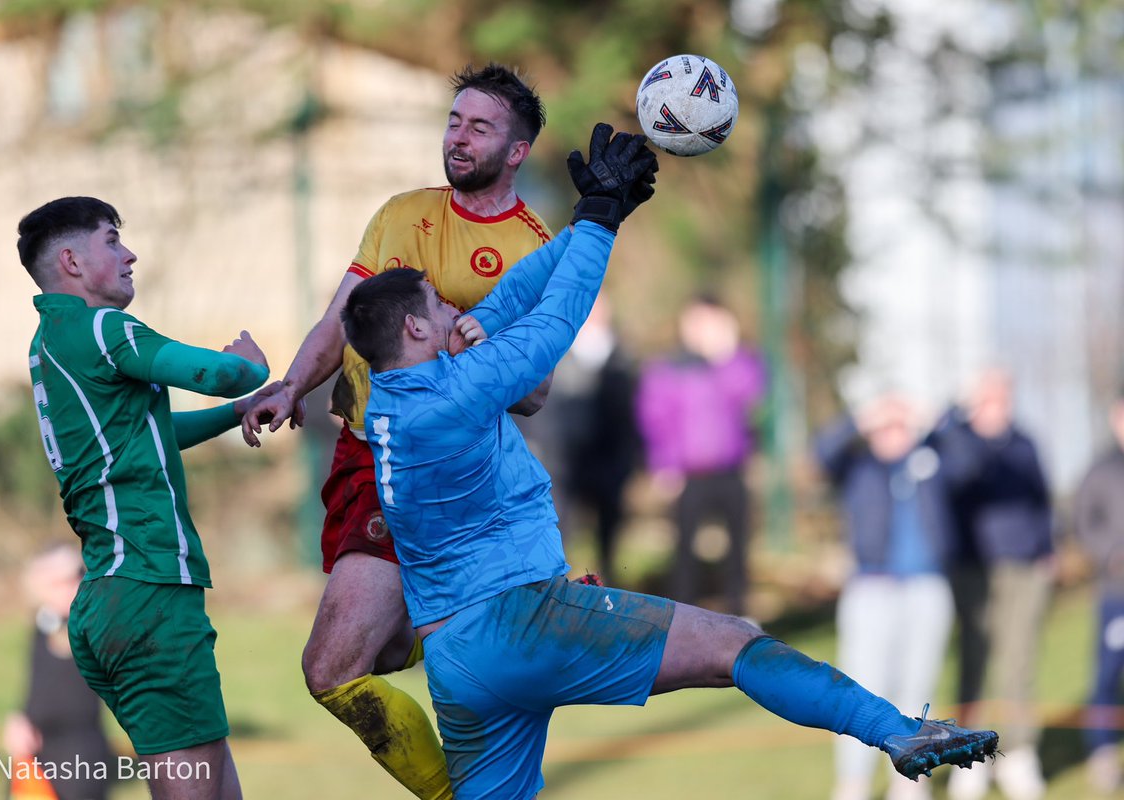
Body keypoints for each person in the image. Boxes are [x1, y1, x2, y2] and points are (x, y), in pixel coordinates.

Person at [342, 122, 997, 799]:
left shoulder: (395, 399)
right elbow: (551, 324)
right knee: (733, 643)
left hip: (456, 661)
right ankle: (894, 730)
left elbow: (508, 299)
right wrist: (597, 224)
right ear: (416, 329)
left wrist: (600, 214)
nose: (456, 307)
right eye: (439, 303)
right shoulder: (457, 392)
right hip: (520, 623)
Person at [240, 64, 552, 799]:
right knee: (375, 652)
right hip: (360, 453)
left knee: (331, 668)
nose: (458, 136)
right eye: (453, 120)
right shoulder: (401, 214)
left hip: (429, 466)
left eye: (479, 127)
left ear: (516, 151)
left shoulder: (532, 246)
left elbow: (534, 393)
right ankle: (489, 609)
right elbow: (338, 319)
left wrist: (461, 340)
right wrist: (290, 384)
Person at [19, 196, 273, 800]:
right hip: (149, 588)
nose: (129, 253)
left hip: (108, 599)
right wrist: (248, 371)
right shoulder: (105, 329)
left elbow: (149, 437)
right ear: (72, 261)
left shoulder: (49, 343)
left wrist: (235, 412)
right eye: (112, 240)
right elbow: (216, 371)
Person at [814, 394, 958, 800]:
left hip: (927, 588)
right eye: (886, 427)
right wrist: (864, 417)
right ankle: (853, 784)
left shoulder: (934, 462)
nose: (893, 434)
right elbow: (822, 451)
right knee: (859, 690)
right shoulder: (858, 467)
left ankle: (907, 782)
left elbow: (972, 462)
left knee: (918, 687)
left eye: (900, 426)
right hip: (870, 589)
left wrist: (929, 420)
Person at [934, 368, 1054, 800]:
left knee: (1018, 663)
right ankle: (970, 757)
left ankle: (1020, 756)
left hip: (1024, 567)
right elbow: (953, 473)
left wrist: (1045, 552)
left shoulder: (1024, 442)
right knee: (973, 663)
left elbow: (1042, 499)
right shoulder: (957, 438)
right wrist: (957, 413)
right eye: (988, 395)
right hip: (973, 569)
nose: (997, 403)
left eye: (1004, 395)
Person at [636, 295, 765, 613]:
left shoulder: (738, 364)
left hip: (731, 469)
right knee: (684, 553)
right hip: (688, 474)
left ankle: (740, 620)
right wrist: (665, 464)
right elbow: (655, 418)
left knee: (738, 552)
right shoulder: (669, 368)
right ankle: (681, 620)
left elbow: (750, 395)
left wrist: (726, 356)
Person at [5, 543, 112, 800]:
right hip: (37, 754)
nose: (72, 585)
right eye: (58, 581)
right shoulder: (43, 625)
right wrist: (21, 719)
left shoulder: (92, 626)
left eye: (77, 575)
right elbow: (39, 686)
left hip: (78, 757)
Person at [548, 295, 640, 584]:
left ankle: (610, 589)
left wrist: (630, 460)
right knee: (562, 531)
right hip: (565, 462)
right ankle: (559, 592)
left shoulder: (622, 356)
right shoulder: (560, 351)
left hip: (610, 460)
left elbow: (633, 412)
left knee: (609, 534)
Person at [1075, 392, 1124, 794]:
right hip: (1116, 593)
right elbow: (1081, 522)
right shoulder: (1100, 469)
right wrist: (1110, 554)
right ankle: (1102, 753)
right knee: (1107, 676)